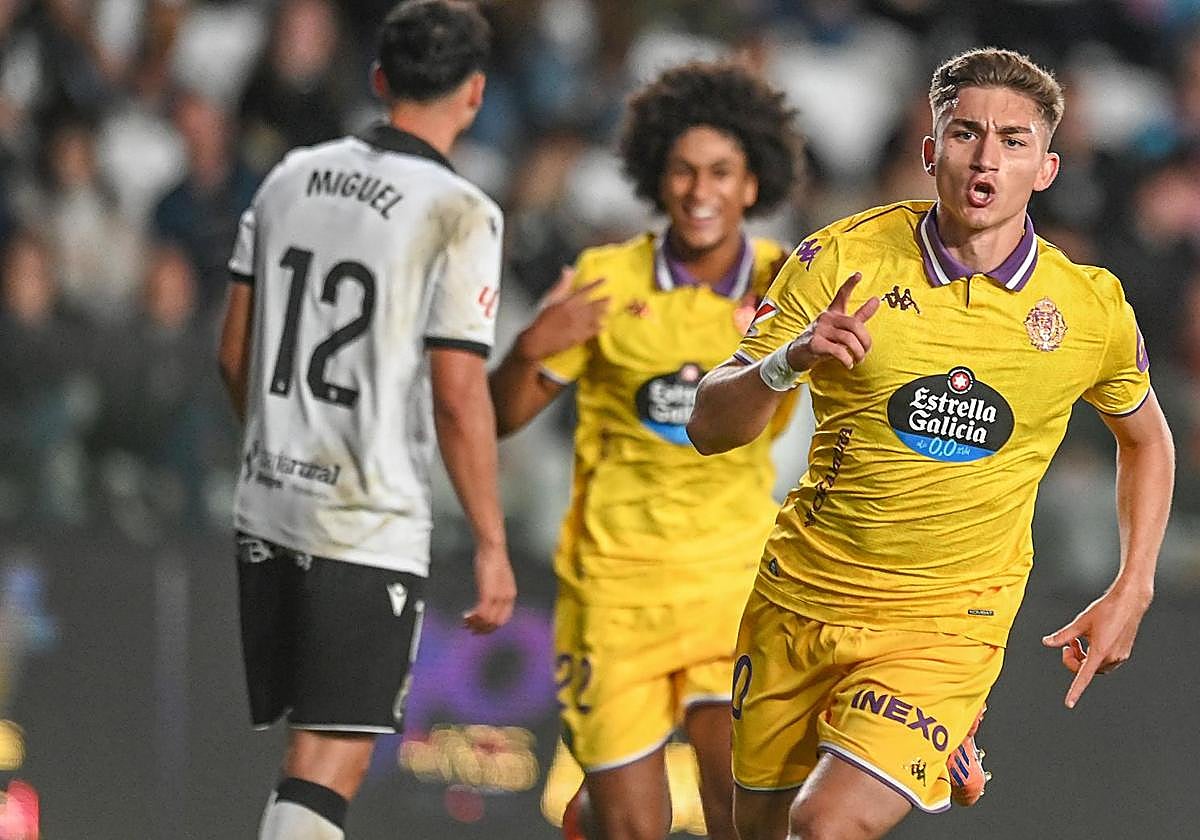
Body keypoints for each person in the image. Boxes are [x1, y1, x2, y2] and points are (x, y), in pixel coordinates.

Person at [686, 47, 1175, 840]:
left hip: (947, 623)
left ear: (1046, 168)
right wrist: (789, 361)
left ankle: (934, 724)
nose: (987, 157)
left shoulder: (1086, 310)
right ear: (929, 152)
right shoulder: (839, 259)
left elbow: (1146, 439)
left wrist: (1134, 584)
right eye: (965, 134)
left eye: (1014, 141)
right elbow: (710, 426)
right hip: (802, 597)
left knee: (827, 824)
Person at [216, 2, 516, 838]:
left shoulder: (289, 176)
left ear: (380, 80)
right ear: (475, 93)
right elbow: (459, 395)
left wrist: (278, 443)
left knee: (306, 757)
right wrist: (492, 542)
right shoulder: (461, 212)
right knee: (329, 759)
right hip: (364, 516)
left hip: (268, 501)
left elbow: (232, 350)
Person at [489, 61, 801, 840]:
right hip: (615, 593)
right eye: (684, 170)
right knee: (633, 829)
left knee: (744, 811)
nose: (701, 191)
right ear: (657, 178)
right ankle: (594, 815)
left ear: (753, 185)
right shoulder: (605, 279)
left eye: (722, 173)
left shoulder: (789, 286)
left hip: (732, 585)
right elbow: (501, 417)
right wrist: (530, 346)